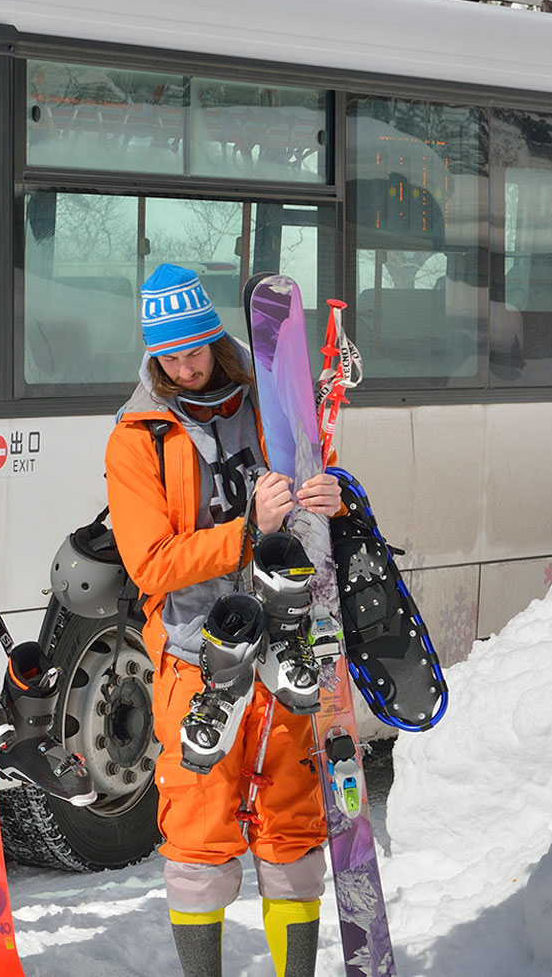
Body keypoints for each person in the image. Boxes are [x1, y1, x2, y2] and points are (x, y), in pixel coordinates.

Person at [104, 264, 344, 977]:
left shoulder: (268, 399)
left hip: (283, 639)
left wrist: (332, 495)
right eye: (170, 355)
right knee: (199, 830)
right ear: (154, 356)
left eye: (196, 348)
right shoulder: (136, 438)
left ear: (214, 337)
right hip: (193, 656)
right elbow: (150, 562)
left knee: (292, 822)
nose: (187, 364)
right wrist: (245, 530)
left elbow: (308, 490)